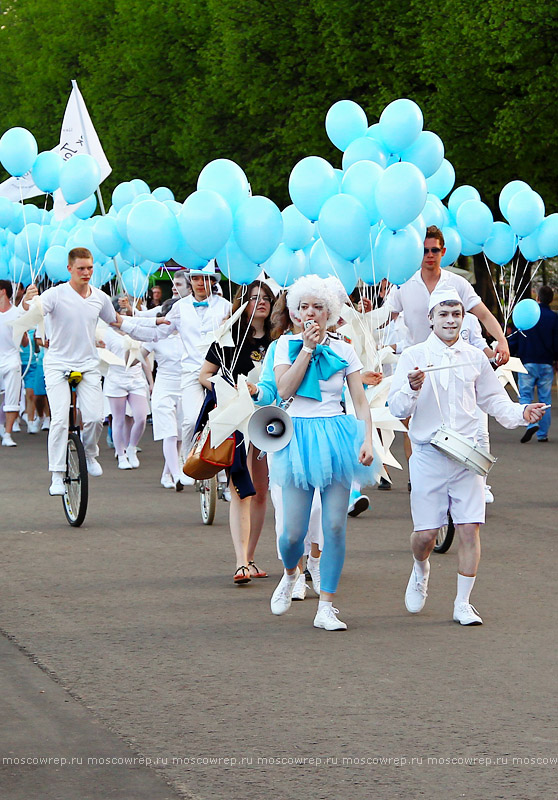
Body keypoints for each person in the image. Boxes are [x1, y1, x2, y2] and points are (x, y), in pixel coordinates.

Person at [387, 287, 546, 626]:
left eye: (456, 314)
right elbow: (396, 408)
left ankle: (462, 603)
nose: (450, 320)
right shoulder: (413, 356)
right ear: (430, 319)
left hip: (468, 455)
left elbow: (494, 401)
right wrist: (411, 388)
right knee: (426, 535)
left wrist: (522, 413)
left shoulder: (475, 357)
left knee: (469, 528)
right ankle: (420, 567)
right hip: (429, 454)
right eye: (443, 314)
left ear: (463, 318)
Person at [269, 275, 375, 631]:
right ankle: (290, 572)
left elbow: (360, 400)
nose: (310, 313)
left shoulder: (345, 348)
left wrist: (368, 440)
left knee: (334, 525)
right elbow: (284, 388)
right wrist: (309, 350)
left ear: (330, 312)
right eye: (303, 307)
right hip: (297, 435)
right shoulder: (283, 346)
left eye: (318, 307)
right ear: (295, 313)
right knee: (292, 533)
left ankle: (326, 605)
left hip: (336, 435)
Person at [23, 248, 168, 495]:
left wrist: (155, 322)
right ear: (69, 269)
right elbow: (30, 313)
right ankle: (57, 474)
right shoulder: (55, 295)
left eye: (89, 268)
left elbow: (120, 322)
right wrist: (27, 299)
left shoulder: (99, 297)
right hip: (57, 364)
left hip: (88, 364)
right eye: (81, 268)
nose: (86, 272)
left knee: (94, 417)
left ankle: (90, 455)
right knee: (59, 419)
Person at [198, 280, 275, 583]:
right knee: (240, 489)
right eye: (254, 298)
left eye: (266, 298)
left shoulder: (280, 338)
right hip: (237, 421)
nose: (261, 302)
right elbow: (204, 375)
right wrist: (226, 390)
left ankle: (252, 556)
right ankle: (240, 562)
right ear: (242, 303)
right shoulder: (227, 338)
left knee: (261, 492)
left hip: (270, 419)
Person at [388, 226, 510, 364]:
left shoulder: (458, 283)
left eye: (435, 250)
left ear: (443, 251)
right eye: (424, 250)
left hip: (451, 364)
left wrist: (502, 341)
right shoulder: (403, 284)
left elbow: (484, 315)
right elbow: (385, 318)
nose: (430, 255)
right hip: (416, 363)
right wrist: (365, 314)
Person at [141, 297, 185, 489]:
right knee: (169, 432)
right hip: (164, 387)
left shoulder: (189, 334)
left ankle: (168, 473)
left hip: (186, 387)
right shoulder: (156, 335)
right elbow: (137, 357)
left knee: (182, 434)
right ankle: (177, 475)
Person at [509, 285, 558, 443]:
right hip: (546, 363)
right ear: (550, 300)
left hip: (527, 361)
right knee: (545, 398)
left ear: (537, 298)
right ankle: (542, 434)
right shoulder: (554, 317)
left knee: (525, 394)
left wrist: (509, 351)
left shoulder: (526, 314)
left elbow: (517, 337)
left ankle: (530, 423)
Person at [101, 324, 152, 470]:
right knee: (118, 419)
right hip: (116, 378)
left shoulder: (136, 332)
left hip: (135, 379)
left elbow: (144, 358)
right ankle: (121, 455)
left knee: (141, 417)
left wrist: (150, 381)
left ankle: (132, 447)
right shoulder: (108, 334)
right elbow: (103, 355)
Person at [0, 279, 27, 446]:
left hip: (11, 360)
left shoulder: (17, 313)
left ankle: (8, 434)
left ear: (3, 291)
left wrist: (23, 331)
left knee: (11, 397)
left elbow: (24, 342)